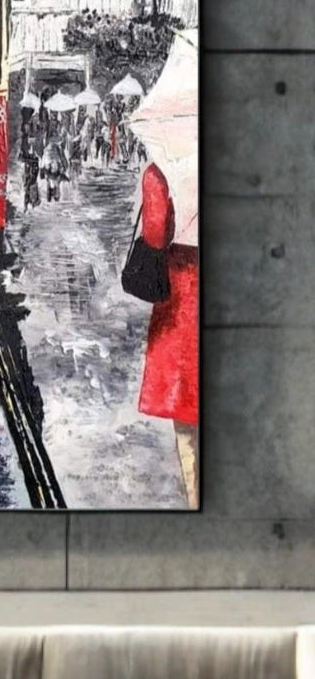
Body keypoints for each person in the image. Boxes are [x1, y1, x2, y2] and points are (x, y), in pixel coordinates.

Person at [135, 158, 199, 508]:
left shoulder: (162, 170)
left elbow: (155, 235)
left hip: (183, 293)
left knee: (186, 413)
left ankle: (196, 499)